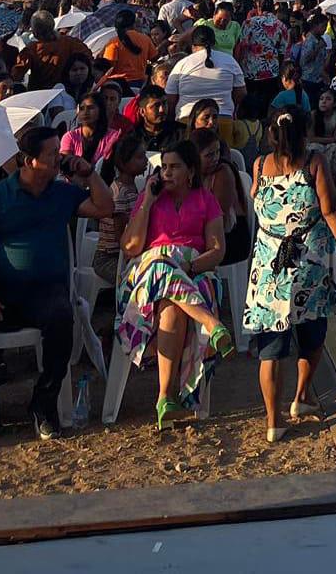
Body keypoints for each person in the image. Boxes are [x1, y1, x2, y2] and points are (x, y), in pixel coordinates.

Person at [0, 127, 114, 447]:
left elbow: (105, 208)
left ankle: (44, 404)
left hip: (45, 291)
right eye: (53, 154)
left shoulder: (61, 193)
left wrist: (90, 172)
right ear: (30, 161)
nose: (61, 158)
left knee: (60, 320)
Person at [246, 109, 336, 443]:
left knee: (271, 346)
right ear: (304, 133)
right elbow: (330, 210)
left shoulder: (258, 165)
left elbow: (254, 196)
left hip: (269, 266)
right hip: (309, 260)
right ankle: (302, 395)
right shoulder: (315, 163)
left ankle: (272, 421)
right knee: (312, 332)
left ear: (271, 134)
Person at [117, 140, 233, 429]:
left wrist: (190, 266)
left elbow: (217, 250)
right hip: (147, 277)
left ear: (190, 171)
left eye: (174, 167)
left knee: (172, 307)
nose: (167, 173)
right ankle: (211, 324)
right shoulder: (150, 199)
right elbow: (131, 247)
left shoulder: (206, 200)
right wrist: (148, 201)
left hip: (195, 272)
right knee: (160, 264)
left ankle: (164, 397)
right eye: (163, 167)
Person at [167, 24, 246, 147]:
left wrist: (171, 121)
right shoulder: (230, 61)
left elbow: (170, 100)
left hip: (186, 123)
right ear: (215, 42)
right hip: (222, 120)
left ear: (193, 46)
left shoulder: (182, 64)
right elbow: (241, 93)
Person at [94, 134, 147, 287]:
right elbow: (121, 236)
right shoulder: (119, 192)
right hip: (109, 258)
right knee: (138, 280)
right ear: (124, 163)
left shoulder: (131, 187)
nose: (145, 160)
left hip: (121, 256)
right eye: (139, 157)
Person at [193, 128, 251, 267]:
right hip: (207, 233)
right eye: (209, 155)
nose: (215, 158)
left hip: (229, 237)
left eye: (217, 152)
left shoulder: (222, 173)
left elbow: (218, 216)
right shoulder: (192, 174)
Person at [15, 10, 93, 90]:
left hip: (39, 93)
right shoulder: (71, 42)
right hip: (68, 91)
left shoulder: (32, 49)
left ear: (35, 33)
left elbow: (17, 74)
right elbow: (89, 59)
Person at [60, 91, 124, 166]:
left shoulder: (113, 137)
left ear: (100, 110)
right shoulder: (69, 137)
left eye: (90, 108)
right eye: (82, 108)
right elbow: (66, 166)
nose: (85, 112)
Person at [99, 9, 156, 87]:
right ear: (134, 23)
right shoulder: (145, 39)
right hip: (140, 83)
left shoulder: (114, 42)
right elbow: (154, 57)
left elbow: (108, 66)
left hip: (118, 84)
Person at [133, 84, 184, 152]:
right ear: (142, 111)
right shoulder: (133, 137)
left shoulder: (181, 133)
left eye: (164, 103)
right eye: (156, 106)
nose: (162, 110)